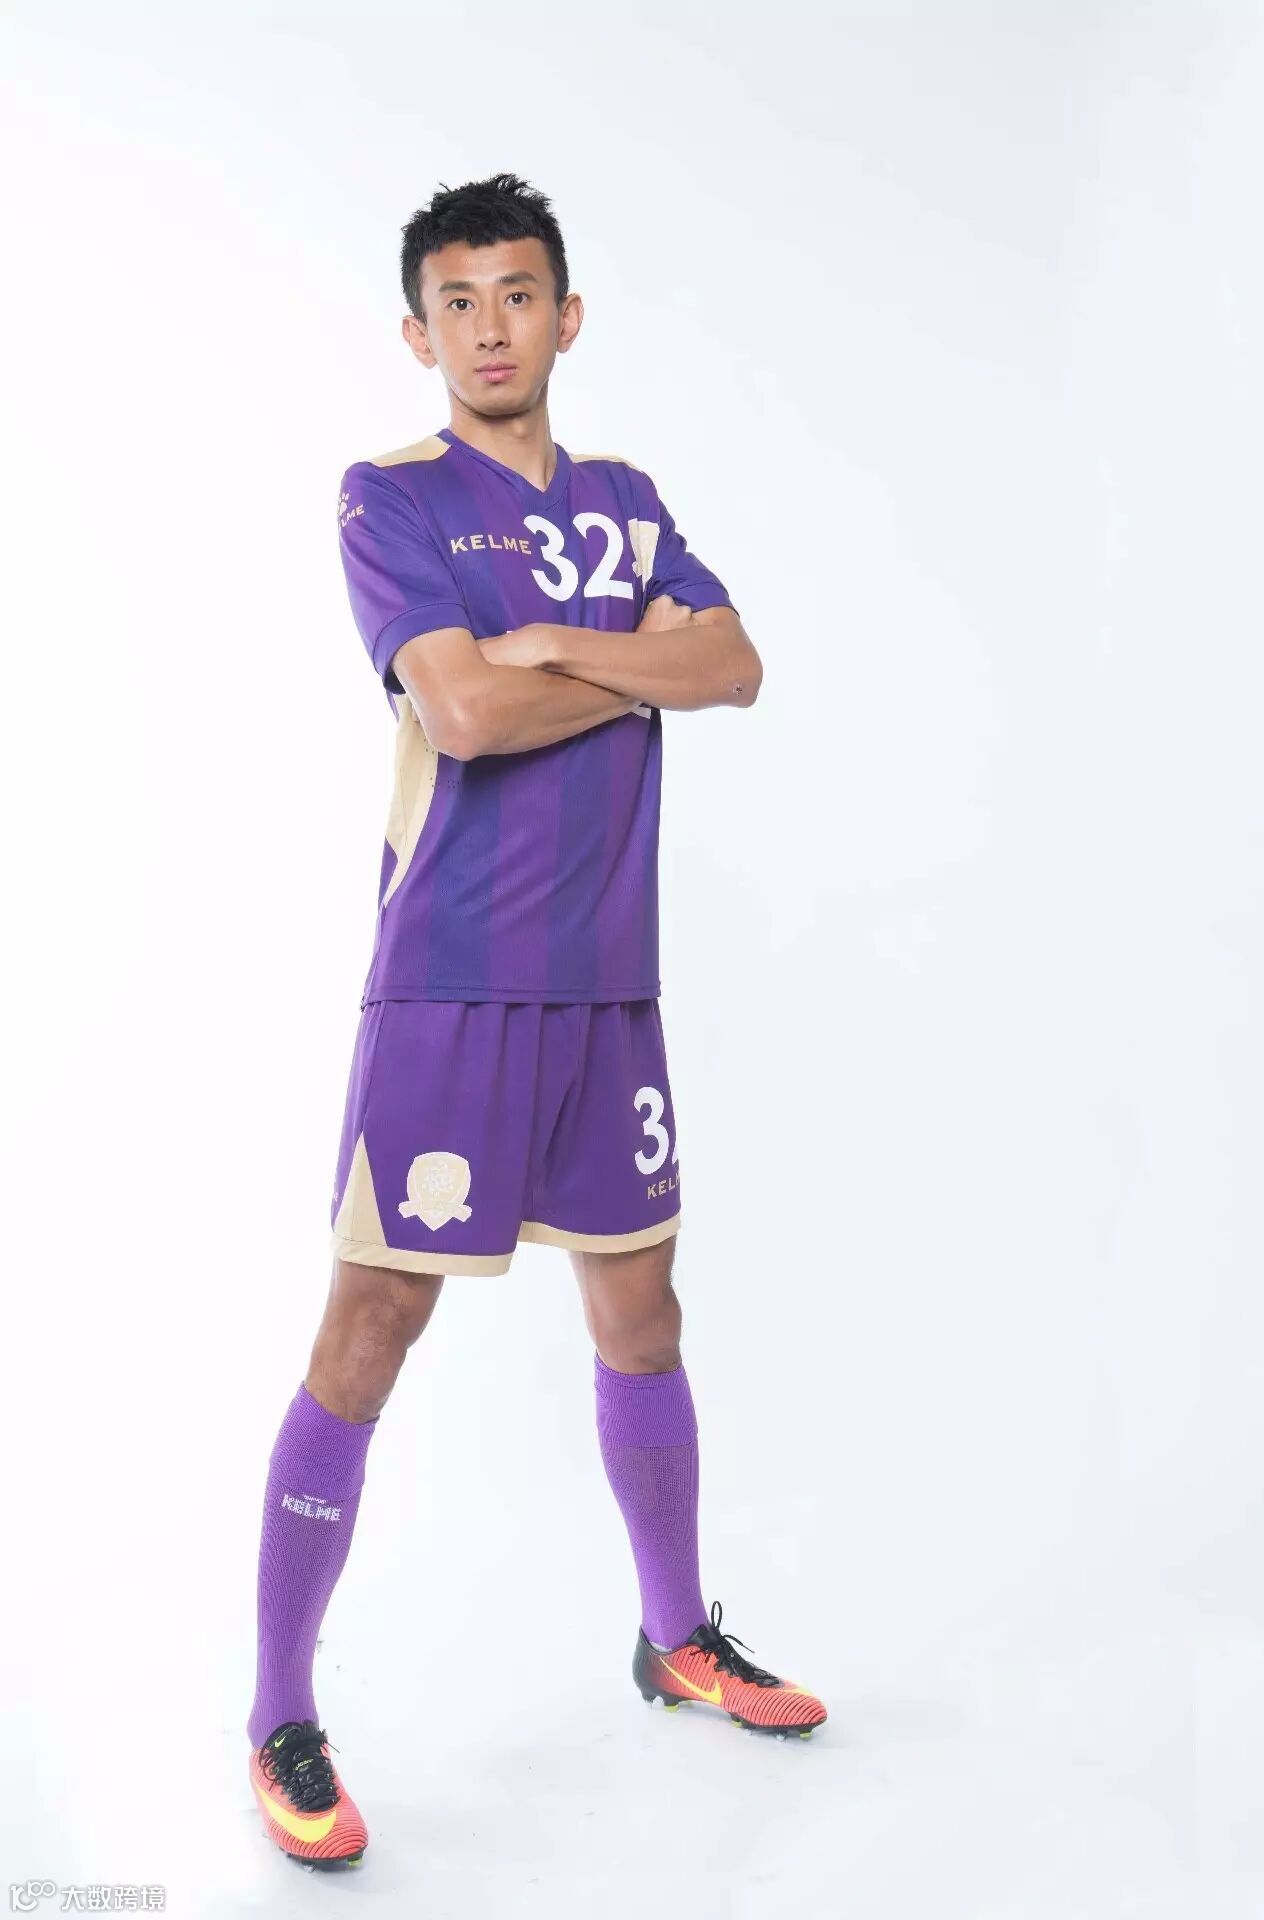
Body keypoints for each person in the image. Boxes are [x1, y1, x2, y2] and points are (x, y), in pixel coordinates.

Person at [247, 170, 827, 1872]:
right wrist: (622, 658)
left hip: (609, 991)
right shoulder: (391, 495)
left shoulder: (628, 502)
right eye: (457, 301)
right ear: (416, 332)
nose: (488, 327)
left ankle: (676, 1638)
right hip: (451, 981)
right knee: (370, 1328)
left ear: (566, 316)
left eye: (517, 295)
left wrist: (558, 641)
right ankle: (277, 1710)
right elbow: (464, 713)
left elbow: (736, 666)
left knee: (642, 1313)